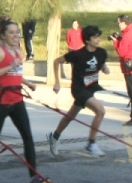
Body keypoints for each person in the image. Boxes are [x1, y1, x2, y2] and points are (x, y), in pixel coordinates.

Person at [0, 19, 47, 183]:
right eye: (11, 32)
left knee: (28, 138)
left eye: (17, 32)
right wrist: (10, 65)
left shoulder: (18, 51)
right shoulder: (0, 52)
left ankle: (34, 178)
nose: (16, 35)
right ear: (2, 35)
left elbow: (15, 73)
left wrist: (27, 82)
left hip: (16, 100)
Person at [46, 25, 110, 157]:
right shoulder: (77, 54)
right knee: (100, 111)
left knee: (71, 115)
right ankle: (91, 144)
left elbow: (101, 63)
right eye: (95, 37)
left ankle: (54, 136)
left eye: (98, 37)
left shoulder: (101, 52)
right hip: (79, 89)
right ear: (87, 40)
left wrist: (104, 68)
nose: (98, 40)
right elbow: (57, 61)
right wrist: (57, 82)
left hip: (91, 88)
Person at [112, 14, 132, 126]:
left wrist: (116, 41)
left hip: (131, 67)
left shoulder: (127, 35)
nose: (118, 25)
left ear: (123, 22)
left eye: (119, 23)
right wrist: (120, 39)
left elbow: (122, 52)